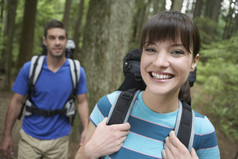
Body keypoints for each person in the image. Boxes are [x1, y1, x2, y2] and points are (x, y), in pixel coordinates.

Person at [75, 11, 220, 159]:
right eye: (151, 49)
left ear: (194, 62)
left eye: (176, 52)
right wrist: (88, 152)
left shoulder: (202, 131)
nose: (159, 62)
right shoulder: (109, 106)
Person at [0, 20, 89, 159]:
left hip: (59, 140)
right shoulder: (30, 68)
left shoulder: (76, 71)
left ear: (66, 41)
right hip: (29, 138)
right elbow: (16, 101)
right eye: (52, 38)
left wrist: (86, 128)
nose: (57, 42)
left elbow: (82, 101)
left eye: (61, 38)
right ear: (45, 41)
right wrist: (6, 136)